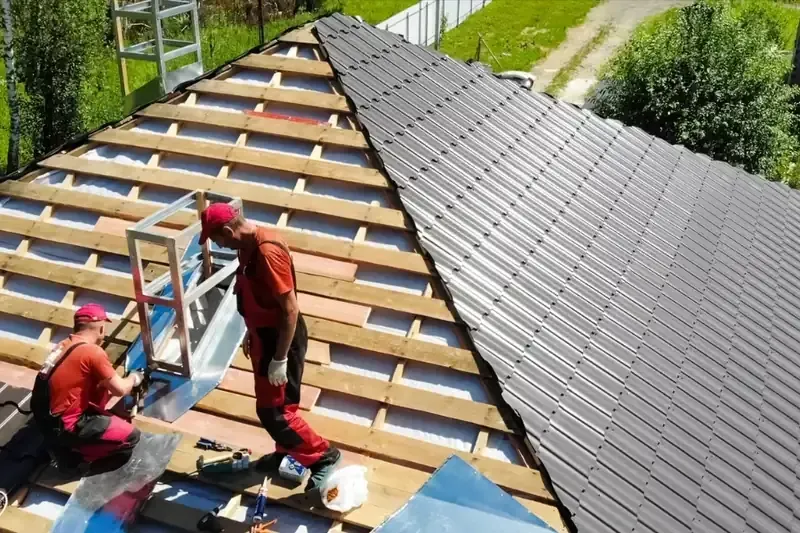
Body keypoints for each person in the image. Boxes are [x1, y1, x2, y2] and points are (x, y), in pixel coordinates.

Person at [199, 202, 341, 491]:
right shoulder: (247, 246)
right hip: (264, 335)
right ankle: (286, 451)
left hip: (280, 339)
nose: (219, 245)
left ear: (228, 230)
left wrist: (279, 358)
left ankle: (323, 456)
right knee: (274, 406)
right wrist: (252, 331)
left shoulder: (267, 252)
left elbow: (290, 310)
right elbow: (254, 294)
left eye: (217, 240)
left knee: (276, 412)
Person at [31, 303, 144, 475]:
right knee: (132, 436)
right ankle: (82, 463)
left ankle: (65, 449)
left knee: (99, 391)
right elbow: (120, 390)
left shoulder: (63, 345)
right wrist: (135, 378)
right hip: (68, 426)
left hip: (47, 421)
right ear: (100, 328)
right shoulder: (93, 352)